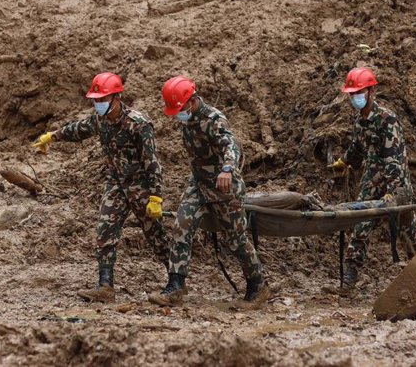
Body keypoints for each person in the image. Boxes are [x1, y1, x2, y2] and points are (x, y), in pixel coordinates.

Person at [32, 72, 169, 302]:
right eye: (95, 100)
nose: (98, 104)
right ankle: (105, 287)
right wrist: (52, 137)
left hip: (140, 187)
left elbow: (152, 162)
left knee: (157, 237)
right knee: (105, 233)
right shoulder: (100, 120)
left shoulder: (138, 124)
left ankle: (177, 283)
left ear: (117, 97)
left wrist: (156, 196)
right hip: (116, 185)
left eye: (102, 100)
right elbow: (78, 130)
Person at [148, 76, 270, 308]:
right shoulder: (187, 118)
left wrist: (227, 169)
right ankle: (175, 285)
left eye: (180, 109)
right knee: (181, 226)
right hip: (199, 185)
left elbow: (230, 145)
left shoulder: (214, 119)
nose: (177, 114)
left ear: (192, 101)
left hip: (225, 188)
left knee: (235, 241)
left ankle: (258, 286)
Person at [325, 67, 416, 295]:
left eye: (359, 93)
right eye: (352, 94)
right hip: (372, 183)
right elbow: (358, 148)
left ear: (371, 91)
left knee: (407, 231)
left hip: (395, 184)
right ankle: (349, 282)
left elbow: (394, 158)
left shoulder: (387, 120)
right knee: (361, 227)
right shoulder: (360, 121)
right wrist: (344, 162)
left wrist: (393, 191)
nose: (355, 98)